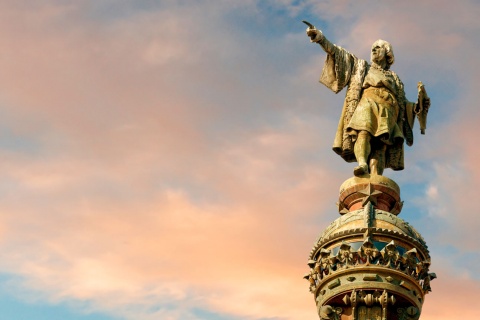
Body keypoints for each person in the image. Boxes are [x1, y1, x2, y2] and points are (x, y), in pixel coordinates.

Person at [306, 27, 430, 176]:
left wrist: (418, 107)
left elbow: (403, 104)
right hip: (368, 102)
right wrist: (321, 39)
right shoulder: (362, 67)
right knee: (363, 131)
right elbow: (339, 54)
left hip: (389, 110)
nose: (374, 50)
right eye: (372, 48)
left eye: (378, 48)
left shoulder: (395, 79)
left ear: (387, 53)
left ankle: (376, 176)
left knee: (381, 145)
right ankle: (362, 163)